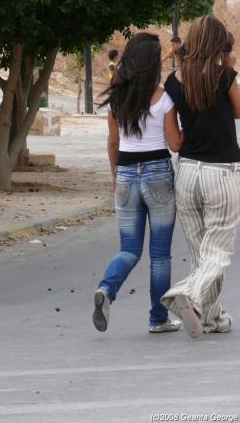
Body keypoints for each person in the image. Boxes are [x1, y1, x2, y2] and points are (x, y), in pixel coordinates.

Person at [93, 33, 183, 334]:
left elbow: (113, 142)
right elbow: (174, 144)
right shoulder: (164, 99)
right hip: (158, 172)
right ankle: (158, 318)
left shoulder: (116, 100)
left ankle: (106, 288)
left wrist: (116, 175)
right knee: (160, 254)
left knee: (129, 249)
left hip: (126, 174)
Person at [159, 16, 240, 338]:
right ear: (220, 45)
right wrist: (231, 66)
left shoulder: (173, 81)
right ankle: (187, 294)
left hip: (188, 172)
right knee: (217, 252)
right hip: (222, 173)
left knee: (201, 254)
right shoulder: (224, 76)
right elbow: (239, 111)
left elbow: (175, 141)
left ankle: (211, 319)